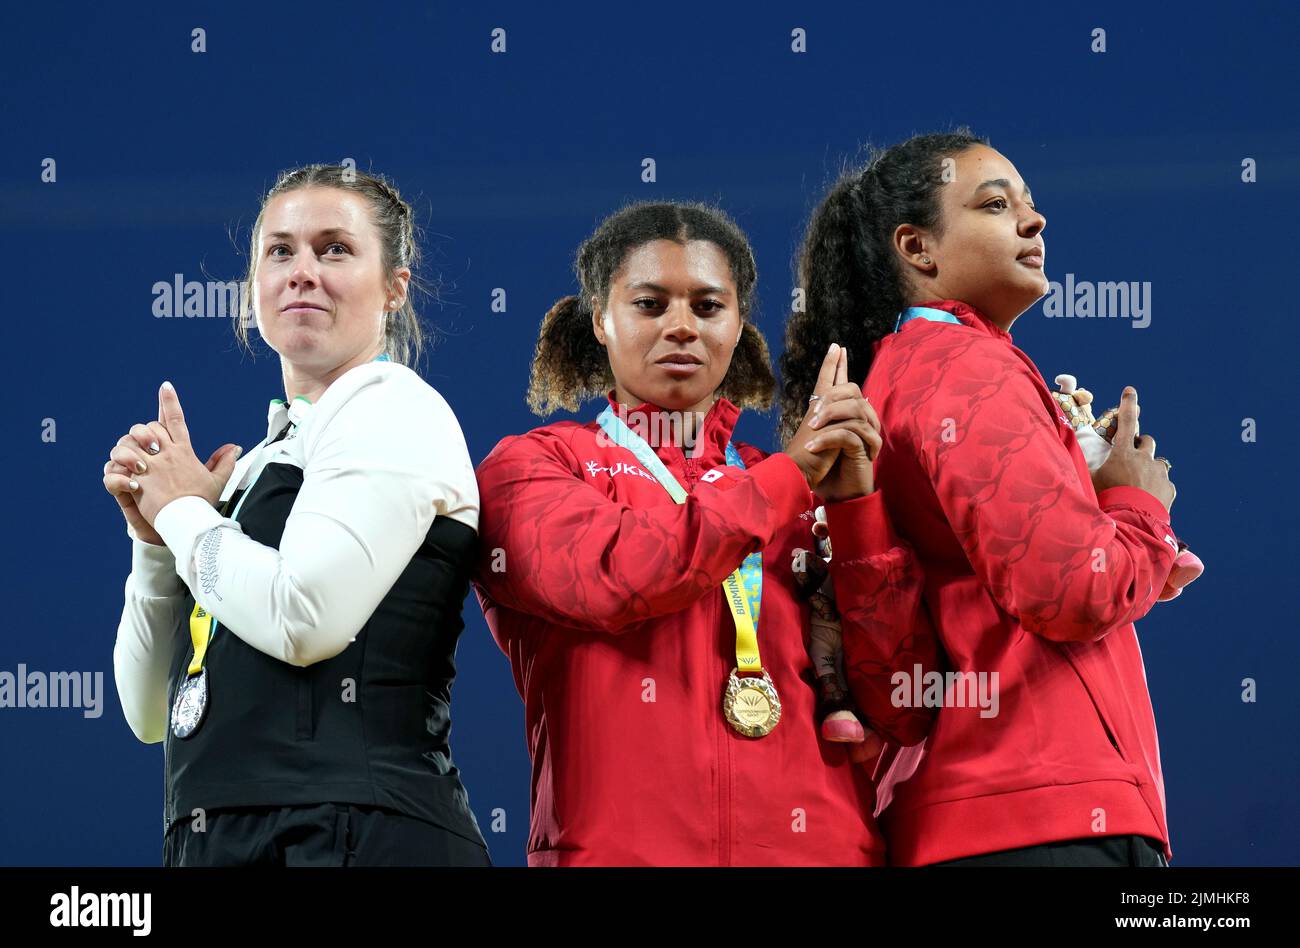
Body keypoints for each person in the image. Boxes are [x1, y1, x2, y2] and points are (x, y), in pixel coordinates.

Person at [473, 200, 940, 866]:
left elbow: (904, 703)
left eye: (708, 306)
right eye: (650, 304)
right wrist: (790, 479)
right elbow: (619, 578)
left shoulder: (794, 496)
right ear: (601, 320)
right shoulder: (535, 468)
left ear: (739, 325)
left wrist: (857, 513)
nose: (682, 327)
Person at [780, 129, 1179, 867]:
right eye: (997, 205)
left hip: (957, 820)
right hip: (1052, 812)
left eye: (1030, 205)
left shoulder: (895, 378)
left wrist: (1095, 508)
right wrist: (1136, 507)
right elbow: (1071, 590)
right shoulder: (969, 365)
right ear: (917, 248)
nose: (1035, 222)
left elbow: (902, 694)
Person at [106, 164, 490, 866]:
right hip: (218, 840)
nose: (302, 271)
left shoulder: (393, 405)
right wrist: (155, 537)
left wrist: (186, 513)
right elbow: (147, 712)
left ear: (395, 288)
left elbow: (305, 617)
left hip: (363, 838)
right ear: (252, 287)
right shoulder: (255, 466)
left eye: (335, 248)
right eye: (280, 251)